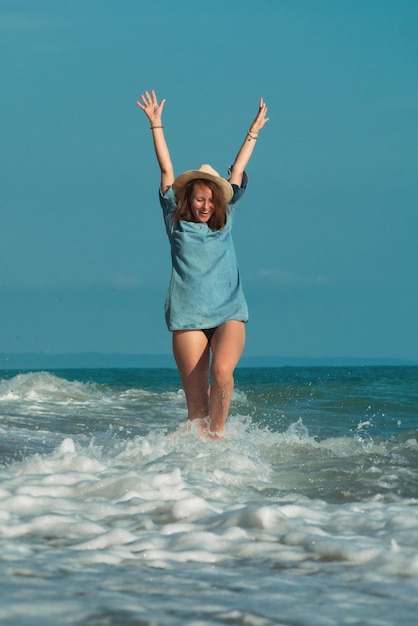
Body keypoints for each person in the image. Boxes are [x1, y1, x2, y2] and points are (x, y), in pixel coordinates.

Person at [136, 89, 269, 438]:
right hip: (188, 318)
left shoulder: (225, 222)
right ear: (188, 199)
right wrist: (156, 125)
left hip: (228, 313)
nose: (205, 205)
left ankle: (220, 440)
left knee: (222, 372)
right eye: (199, 198)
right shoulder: (174, 222)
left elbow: (238, 169)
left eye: (211, 199)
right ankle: (200, 467)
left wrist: (252, 131)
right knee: (196, 411)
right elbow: (166, 168)